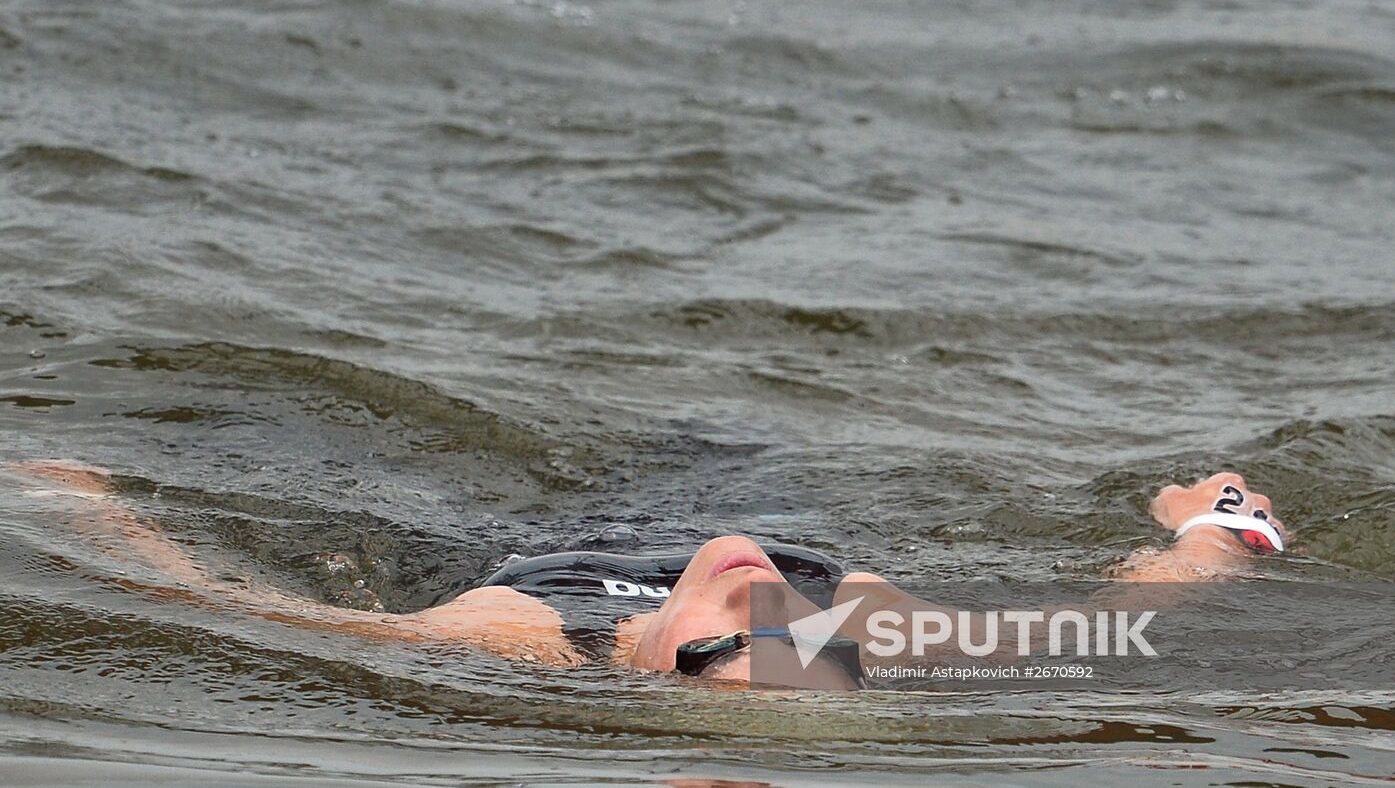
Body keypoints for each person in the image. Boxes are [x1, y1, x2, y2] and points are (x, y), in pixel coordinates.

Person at [10, 462, 1287, 687]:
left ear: (658, 662)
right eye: (792, 631)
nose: (750, 595)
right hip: (795, 497)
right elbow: (1125, 613)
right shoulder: (860, 624)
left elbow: (223, 607)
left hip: (536, 532)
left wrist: (86, 510)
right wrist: (1212, 519)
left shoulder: (509, 638)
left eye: (736, 639)